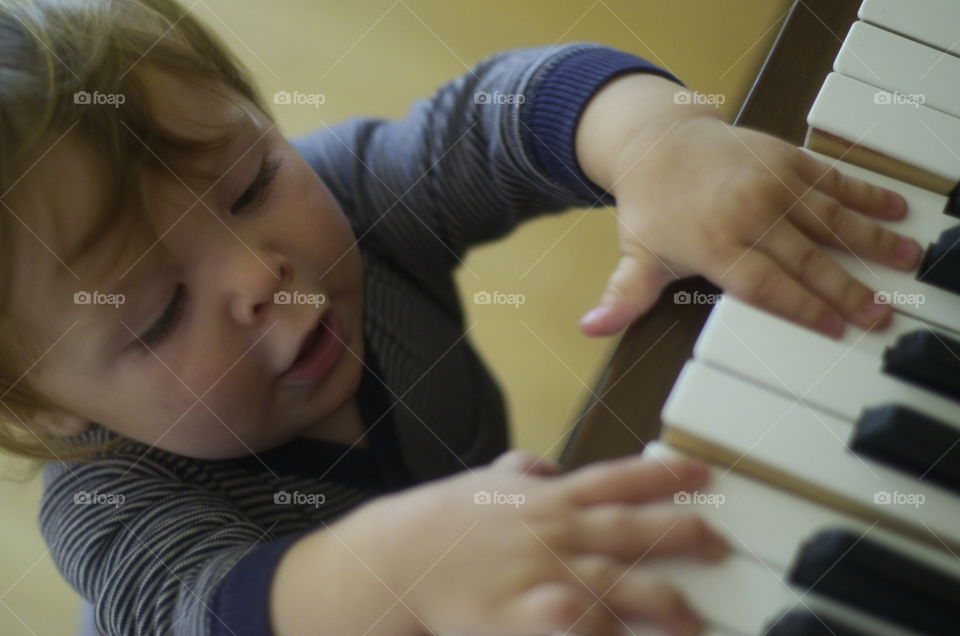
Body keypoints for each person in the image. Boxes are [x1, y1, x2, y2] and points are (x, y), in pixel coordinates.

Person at [0, 0, 919, 634]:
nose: (258, 272)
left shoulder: (351, 205)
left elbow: (493, 119)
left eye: (250, 184)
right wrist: (401, 571)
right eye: (159, 311)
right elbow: (201, 609)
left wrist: (652, 139)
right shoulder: (110, 506)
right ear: (43, 405)